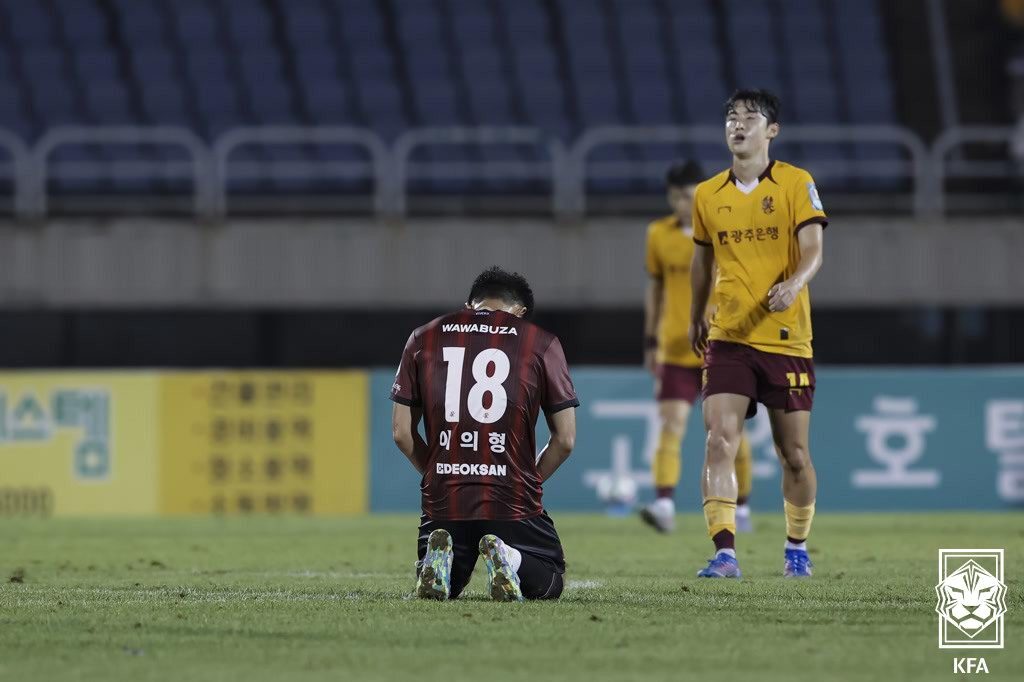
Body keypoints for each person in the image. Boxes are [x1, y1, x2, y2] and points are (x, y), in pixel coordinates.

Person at [689, 89, 827, 579]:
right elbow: (702, 260)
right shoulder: (707, 194)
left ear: (772, 130)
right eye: (731, 117)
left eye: (750, 117)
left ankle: (796, 548)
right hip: (728, 336)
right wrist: (695, 313)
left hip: (786, 338)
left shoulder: (796, 182)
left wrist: (795, 283)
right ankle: (725, 553)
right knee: (718, 440)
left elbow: (814, 248)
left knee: (794, 455)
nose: (738, 124)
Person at [390, 266, 579, 601]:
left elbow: (402, 433)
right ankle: (510, 557)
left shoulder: (422, 337)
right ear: (520, 311)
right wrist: (524, 481)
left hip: (445, 498)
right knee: (550, 578)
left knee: (449, 586)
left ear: (470, 304)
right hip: (510, 498)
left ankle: (440, 564)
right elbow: (564, 440)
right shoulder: (541, 342)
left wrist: (438, 472)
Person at [641, 161, 755, 533]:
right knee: (670, 425)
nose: (681, 204)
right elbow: (656, 289)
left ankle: (741, 508)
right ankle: (663, 504)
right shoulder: (658, 234)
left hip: (720, 346)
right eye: (675, 197)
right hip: (674, 350)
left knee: (730, 433)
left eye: (687, 196)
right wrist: (650, 340)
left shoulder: (726, 231)